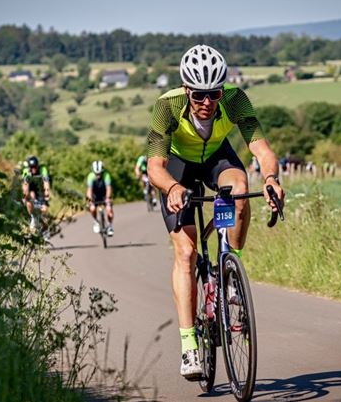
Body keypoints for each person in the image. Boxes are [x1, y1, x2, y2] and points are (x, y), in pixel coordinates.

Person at [146, 44, 284, 380]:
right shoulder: (168, 106)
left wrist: (270, 179)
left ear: (224, 89)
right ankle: (189, 344)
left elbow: (261, 149)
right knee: (187, 252)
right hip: (178, 167)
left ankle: (230, 267)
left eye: (215, 94)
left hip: (216, 159)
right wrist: (172, 188)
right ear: (187, 89)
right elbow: (154, 166)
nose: (208, 103)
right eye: (200, 96)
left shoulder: (236, 99)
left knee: (239, 189)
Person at [21, 155, 51, 231]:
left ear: (38, 165)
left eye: (35, 167)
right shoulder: (26, 171)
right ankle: (33, 217)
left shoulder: (43, 169)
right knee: (29, 196)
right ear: (29, 167)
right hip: (31, 188)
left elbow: (46, 183)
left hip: (40, 188)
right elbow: (25, 186)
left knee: (44, 208)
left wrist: (47, 196)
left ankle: (44, 228)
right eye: (31, 167)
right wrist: (25, 197)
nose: (33, 169)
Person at [86, 160, 114, 237]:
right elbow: (89, 190)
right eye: (96, 173)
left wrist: (108, 198)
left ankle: (110, 226)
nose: (98, 175)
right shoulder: (90, 176)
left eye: (100, 173)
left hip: (104, 194)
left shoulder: (106, 175)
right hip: (95, 195)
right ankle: (95, 221)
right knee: (92, 208)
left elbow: (108, 188)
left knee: (109, 210)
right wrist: (89, 200)